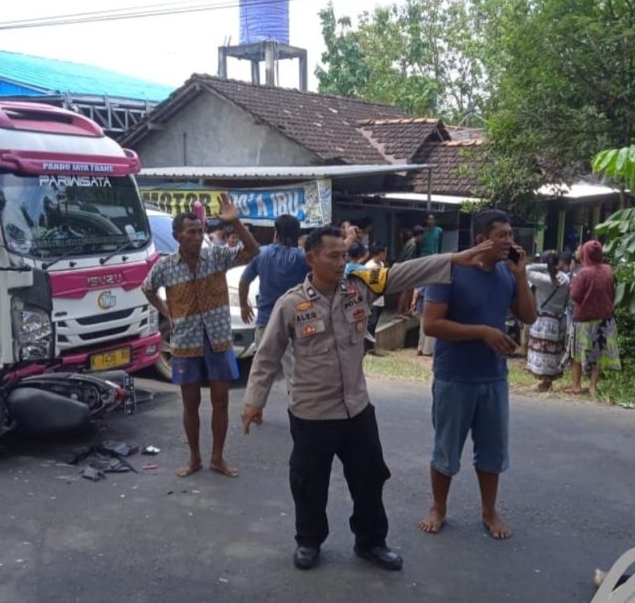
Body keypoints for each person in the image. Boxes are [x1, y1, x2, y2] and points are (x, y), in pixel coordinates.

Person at [241, 226, 497, 571]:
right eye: (332, 256)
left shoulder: (359, 286)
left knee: (370, 478)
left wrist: (454, 258)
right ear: (311, 258)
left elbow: (404, 272)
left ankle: (371, 542)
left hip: (356, 408)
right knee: (308, 482)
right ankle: (309, 541)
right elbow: (268, 354)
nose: (340, 262)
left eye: (343, 255)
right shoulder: (291, 304)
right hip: (311, 412)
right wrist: (254, 401)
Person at [418, 209, 537, 540]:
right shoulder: (449, 270)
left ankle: (489, 512)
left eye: (511, 235)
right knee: (446, 448)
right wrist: (483, 332)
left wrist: (520, 274)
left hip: (493, 376)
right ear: (482, 239)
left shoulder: (505, 273)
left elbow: (528, 316)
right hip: (454, 376)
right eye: (503, 236)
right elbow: (431, 324)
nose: (509, 242)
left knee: (492, 450)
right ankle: (438, 508)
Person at [142, 195, 259, 479]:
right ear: (177, 236)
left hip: (218, 338)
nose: (197, 236)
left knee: (221, 400)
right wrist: (165, 309)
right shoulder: (165, 266)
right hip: (185, 342)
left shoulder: (216, 256)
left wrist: (235, 223)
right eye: (190, 232)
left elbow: (253, 252)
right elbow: (147, 287)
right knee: (190, 403)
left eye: (199, 231)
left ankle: (217, 458)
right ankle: (194, 457)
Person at [238, 214, 311, 381]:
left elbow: (244, 281)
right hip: (296, 321)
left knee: (260, 371)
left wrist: (244, 305)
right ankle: (296, 405)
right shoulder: (302, 257)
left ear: (276, 232)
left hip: (266, 321)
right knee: (294, 373)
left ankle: (253, 405)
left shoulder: (261, 253)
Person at [568, 239, 620, 395]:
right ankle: (593, 386)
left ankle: (576, 385)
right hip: (605, 317)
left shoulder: (584, 272)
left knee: (577, 353)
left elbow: (575, 296)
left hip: (584, 319)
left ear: (585, 254)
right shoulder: (608, 270)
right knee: (599, 353)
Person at [525, 250, 571, 391]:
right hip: (558, 319)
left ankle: (545, 383)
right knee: (553, 352)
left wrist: (546, 266)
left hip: (544, 319)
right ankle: (548, 382)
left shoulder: (542, 279)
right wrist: (553, 267)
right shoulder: (565, 279)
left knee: (542, 351)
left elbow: (526, 269)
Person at [395, 227, 425, 316]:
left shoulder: (409, 243)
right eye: (422, 235)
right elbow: (408, 260)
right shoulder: (412, 245)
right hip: (405, 269)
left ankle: (405, 310)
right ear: (419, 235)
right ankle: (399, 311)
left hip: (403, 268)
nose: (423, 238)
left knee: (407, 290)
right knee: (405, 290)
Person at [364, 243, 388, 352]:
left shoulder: (381, 264)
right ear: (381, 253)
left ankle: (371, 346)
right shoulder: (371, 266)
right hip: (372, 300)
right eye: (384, 253)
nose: (385, 255)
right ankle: (367, 346)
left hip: (380, 299)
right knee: (371, 323)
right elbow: (374, 284)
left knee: (375, 323)